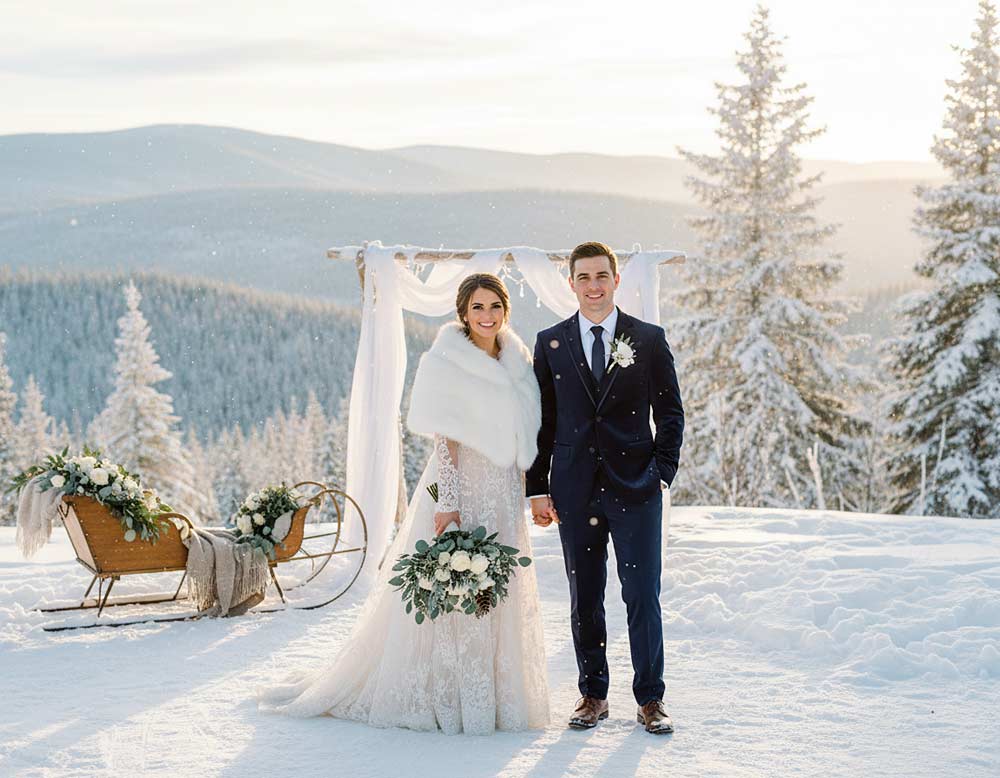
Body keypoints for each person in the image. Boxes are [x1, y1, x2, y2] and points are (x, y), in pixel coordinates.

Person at [259, 272, 550, 735]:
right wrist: (448, 501)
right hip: (463, 482)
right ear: (463, 312)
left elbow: (527, 428)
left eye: (495, 306)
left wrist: (531, 487)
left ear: (505, 310)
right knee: (460, 582)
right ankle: (455, 693)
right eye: (477, 307)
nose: (487, 315)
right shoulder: (447, 359)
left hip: (503, 487)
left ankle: (500, 693)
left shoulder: (518, 358)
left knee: (500, 584)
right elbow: (445, 439)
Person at [527, 241, 684, 735]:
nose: (593, 286)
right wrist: (537, 486)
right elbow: (542, 420)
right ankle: (593, 694)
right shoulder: (551, 342)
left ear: (616, 280)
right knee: (585, 597)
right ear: (571, 283)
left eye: (601, 276)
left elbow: (671, 413)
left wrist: (660, 473)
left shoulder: (649, 339)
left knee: (641, 595)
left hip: (636, 488)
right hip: (574, 490)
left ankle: (651, 699)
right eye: (583, 277)